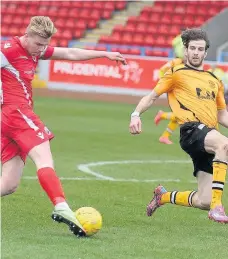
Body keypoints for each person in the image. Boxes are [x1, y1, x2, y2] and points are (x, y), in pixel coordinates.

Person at [1, 16, 127, 237]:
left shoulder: (35, 50)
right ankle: (61, 206)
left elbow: (69, 53)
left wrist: (104, 53)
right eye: (38, 44)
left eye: (45, 45)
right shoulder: (8, 50)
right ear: (27, 35)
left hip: (9, 119)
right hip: (17, 113)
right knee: (44, 159)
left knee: (9, 184)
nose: (42, 49)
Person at [129, 28, 228, 223]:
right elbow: (152, 96)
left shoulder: (214, 80)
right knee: (224, 145)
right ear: (185, 49)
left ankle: (163, 196)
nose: (196, 52)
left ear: (206, 52)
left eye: (200, 49)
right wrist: (135, 114)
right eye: (192, 48)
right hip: (191, 131)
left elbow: (222, 114)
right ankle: (218, 207)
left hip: (208, 135)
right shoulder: (176, 73)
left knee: (204, 200)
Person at [155, 58, 183, 145]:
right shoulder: (177, 61)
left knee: (179, 116)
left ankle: (165, 136)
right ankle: (162, 115)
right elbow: (162, 69)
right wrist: (164, 83)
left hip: (181, 91)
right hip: (174, 90)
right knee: (181, 116)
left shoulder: (189, 65)